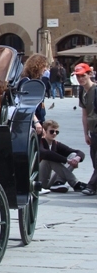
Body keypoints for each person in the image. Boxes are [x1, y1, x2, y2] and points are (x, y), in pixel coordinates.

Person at [39, 120, 86, 193]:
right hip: (39, 180)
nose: (54, 134)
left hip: (50, 178)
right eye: (51, 131)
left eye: (56, 132)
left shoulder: (56, 144)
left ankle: (58, 183)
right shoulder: (39, 142)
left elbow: (79, 152)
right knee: (48, 159)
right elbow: (46, 154)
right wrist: (66, 160)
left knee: (73, 155)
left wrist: (77, 158)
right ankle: (75, 183)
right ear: (44, 132)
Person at [75, 63, 97, 195]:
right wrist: (86, 134)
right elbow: (84, 114)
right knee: (94, 161)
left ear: (90, 74)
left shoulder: (96, 90)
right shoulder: (82, 91)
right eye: (78, 76)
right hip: (93, 131)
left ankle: (91, 186)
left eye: (83, 75)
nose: (80, 79)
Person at [19, 53, 48, 130]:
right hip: (31, 122)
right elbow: (25, 105)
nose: (45, 69)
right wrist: (36, 121)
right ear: (36, 66)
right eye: (43, 66)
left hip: (38, 121)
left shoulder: (36, 81)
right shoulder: (26, 81)